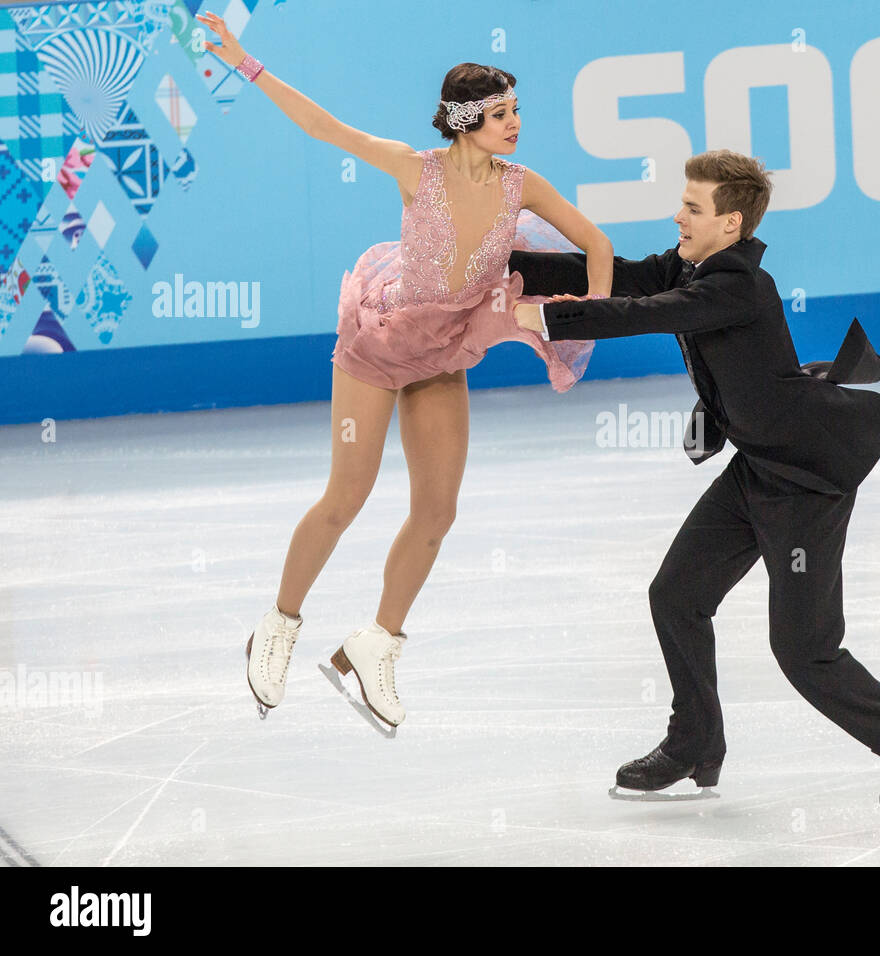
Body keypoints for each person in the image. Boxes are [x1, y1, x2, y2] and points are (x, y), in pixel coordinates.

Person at [509, 150, 880, 822]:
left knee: (804, 648)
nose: (678, 215)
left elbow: (645, 313)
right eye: (681, 203)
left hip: (805, 478)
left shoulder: (740, 286)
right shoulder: (693, 266)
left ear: (731, 222)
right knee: (677, 595)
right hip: (755, 467)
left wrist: (542, 320)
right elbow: (626, 279)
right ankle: (695, 741)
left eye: (692, 207)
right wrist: (516, 269)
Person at [196, 13, 613, 730]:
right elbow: (324, 128)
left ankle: (375, 643)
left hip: (444, 350)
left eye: (516, 111)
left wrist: (596, 310)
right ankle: (277, 626)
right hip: (381, 346)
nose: (515, 124)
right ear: (463, 122)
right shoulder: (413, 168)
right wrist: (249, 64)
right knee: (345, 498)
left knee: (438, 509)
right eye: (500, 114)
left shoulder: (521, 185)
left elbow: (595, 241)